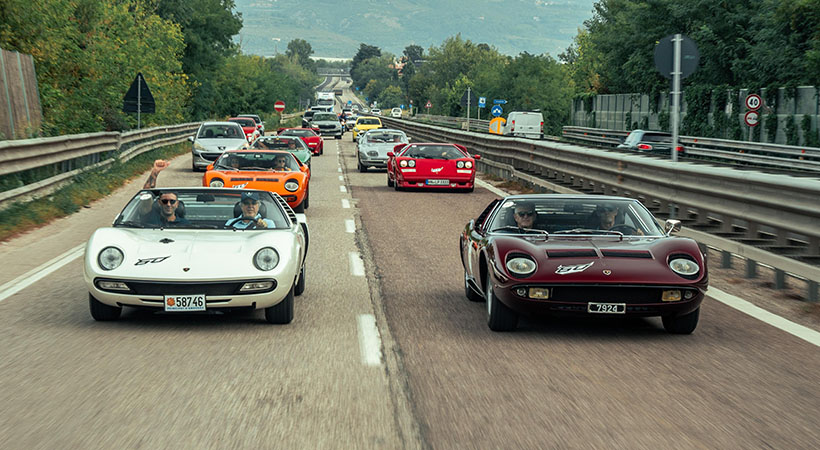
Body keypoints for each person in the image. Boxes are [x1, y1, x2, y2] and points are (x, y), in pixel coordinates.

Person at [139, 159, 190, 226]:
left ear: (177, 204)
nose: (168, 204)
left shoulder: (185, 224)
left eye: (172, 201)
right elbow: (146, 195)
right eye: (164, 201)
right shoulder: (151, 219)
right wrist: (155, 171)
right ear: (159, 203)